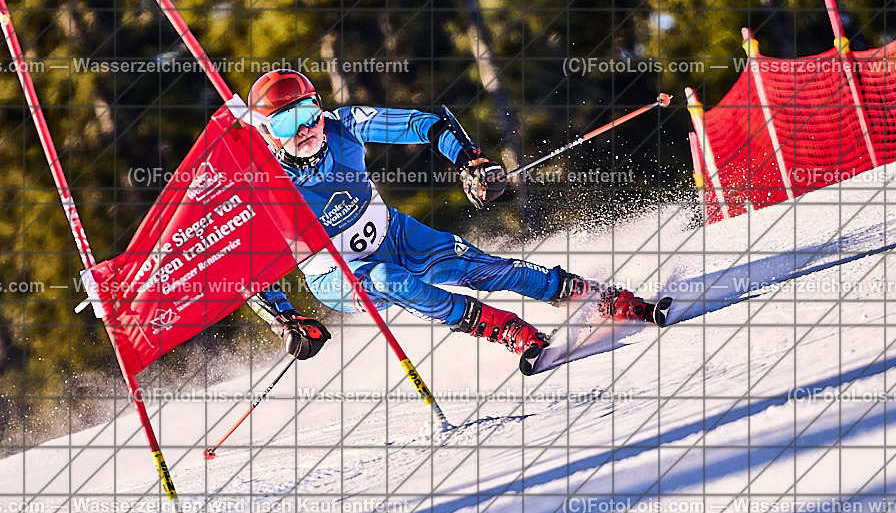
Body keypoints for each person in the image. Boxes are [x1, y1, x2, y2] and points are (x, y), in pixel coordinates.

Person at [244, 69, 657, 365]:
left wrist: (469, 160)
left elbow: (427, 124)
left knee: (483, 269)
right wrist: (286, 319)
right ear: (266, 131)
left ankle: (598, 298)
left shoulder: (344, 126)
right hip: (336, 274)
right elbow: (245, 265)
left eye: (309, 112)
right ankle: (502, 327)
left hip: (393, 234)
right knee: (391, 281)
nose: (305, 127)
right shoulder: (266, 186)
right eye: (287, 120)